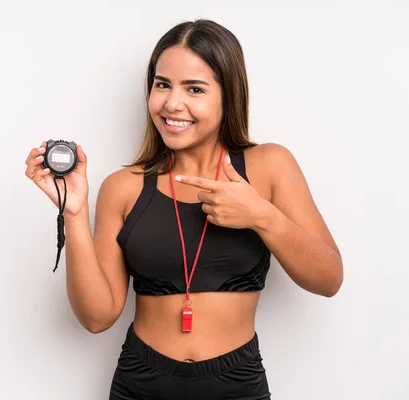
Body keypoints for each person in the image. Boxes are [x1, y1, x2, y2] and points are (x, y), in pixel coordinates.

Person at [24, 19, 343, 400]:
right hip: (140, 382)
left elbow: (328, 280)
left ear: (229, 95)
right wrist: (73, 213)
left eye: (195, 88)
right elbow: (96, 318)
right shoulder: (122, 187)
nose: (172, 103)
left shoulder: (270, 166)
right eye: (162, 85)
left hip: (236, 383)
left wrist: (261, 216)